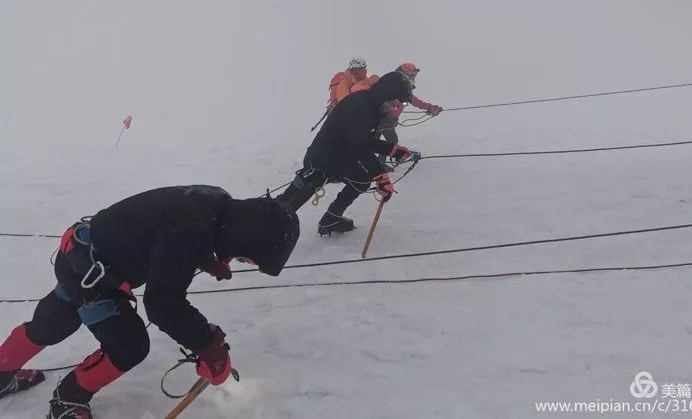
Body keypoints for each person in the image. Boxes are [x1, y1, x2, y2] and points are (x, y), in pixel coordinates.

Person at [0, 185, 299, 418]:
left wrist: (204, 258)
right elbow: (163, 303)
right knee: (128, 345)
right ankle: (68, 399)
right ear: (243, 237)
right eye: (244, 257)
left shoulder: (215, 201)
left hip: (81, 251)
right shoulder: (192, 232)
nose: (238, 260)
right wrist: (209, 346)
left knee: (56, 320)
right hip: (95, 274)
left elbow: (166, 225)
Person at [277, 71, 418, 235]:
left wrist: (392, 150)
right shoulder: (358, 105)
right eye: (395, 103)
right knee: (286, 207)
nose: (394, 108)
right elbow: (358, 144)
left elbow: (363, 139)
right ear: (386, 94)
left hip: (341, 159)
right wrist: (380, 176)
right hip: (322, 161)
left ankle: (331, 219)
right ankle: (263, 229)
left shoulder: (373, 108)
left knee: (362, 179)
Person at [377, 63, 442, 170]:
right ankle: (378, 163)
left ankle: (374, 162)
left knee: (376, 140)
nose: (413, 78)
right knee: (391, 140)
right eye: (411, 76)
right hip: (382, 120)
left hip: (384, 121)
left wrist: (430, 107)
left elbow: (415, 101)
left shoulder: (403, 89)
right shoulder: (394, 88)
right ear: (404, 76)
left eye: (414, 76)